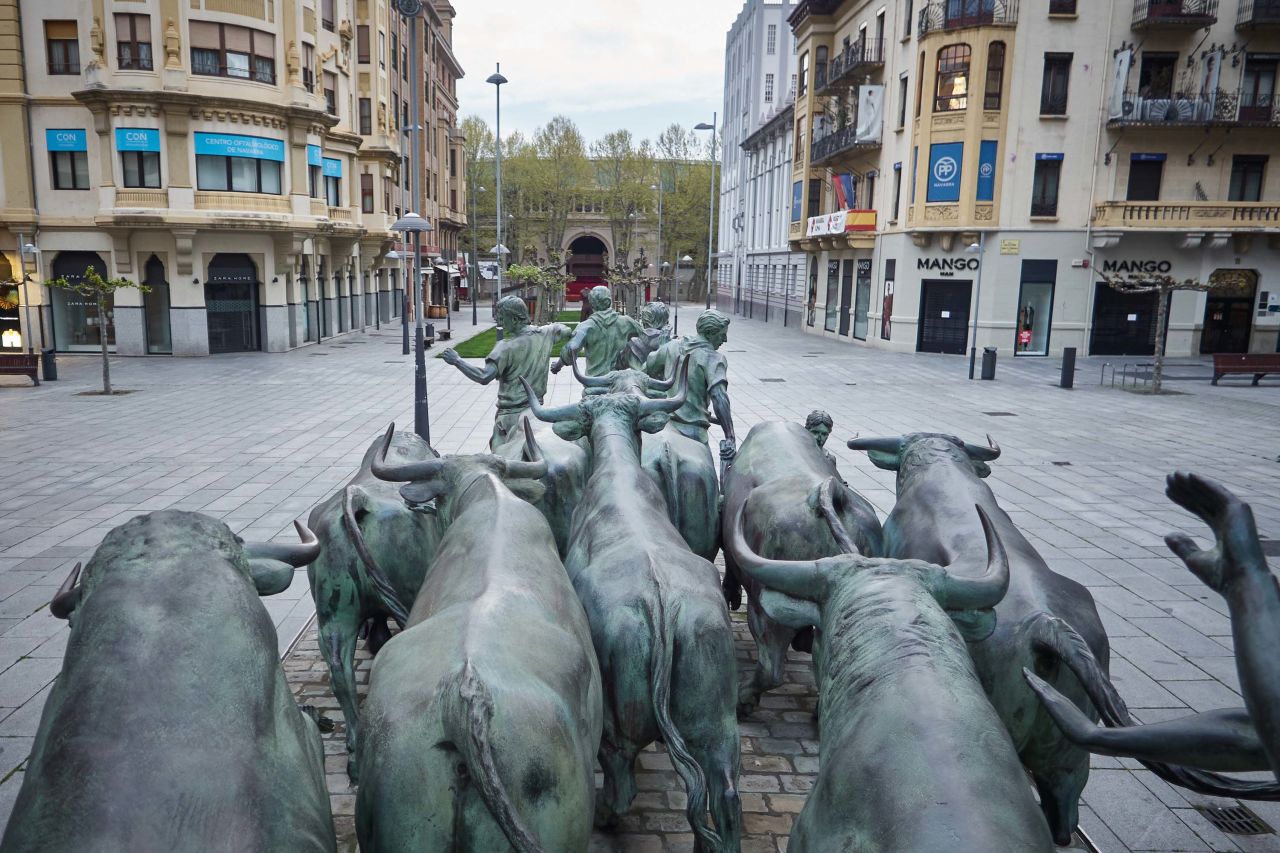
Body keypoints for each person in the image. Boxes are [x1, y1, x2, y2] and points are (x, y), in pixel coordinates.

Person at [441, 295, 571, 450]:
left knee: (500, 461)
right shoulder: (545, 333)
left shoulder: (504, 348)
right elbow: (567, 331)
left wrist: (457, 361)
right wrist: (562, 359)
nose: (500, 322)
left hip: (510, 418)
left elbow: (484, 376)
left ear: (515, 319)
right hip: (537, 412)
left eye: (502, 318)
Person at [644, 308, 736, 464]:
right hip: (694, 433)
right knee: (709, 481)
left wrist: (662, 349)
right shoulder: (714, 359)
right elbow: (719, 397)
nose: (725, 339)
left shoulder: (671, 346)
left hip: (665, 425)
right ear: (710, 333)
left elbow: (647, 369)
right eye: (722, 334)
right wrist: (730, 436)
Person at [552, 285, 641, 385]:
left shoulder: (585, 327)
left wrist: (558, 365)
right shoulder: (627, 322)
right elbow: (645, 338)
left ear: (591, 303)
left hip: (594, 384)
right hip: (618, 384)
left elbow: (571, 349)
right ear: (609, 301)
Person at [619, 301, 673, 369]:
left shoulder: (632, 344)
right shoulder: (673, 345)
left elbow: (619, 366)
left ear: (644, 321)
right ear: (666, 322)